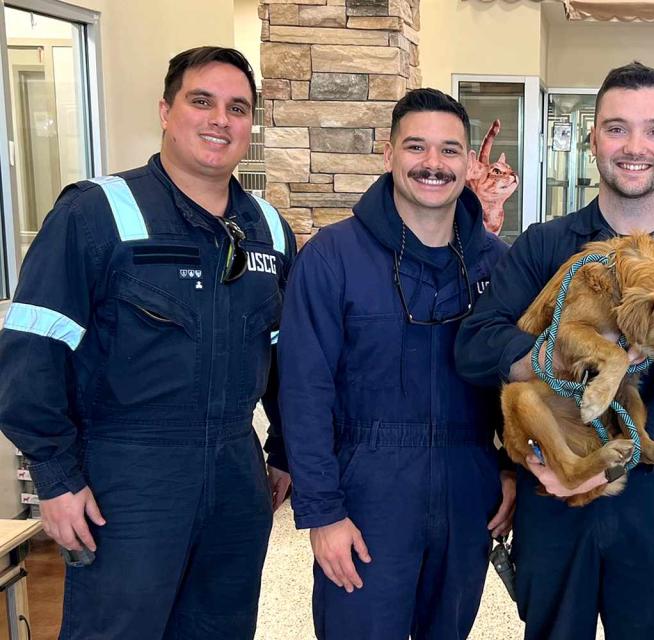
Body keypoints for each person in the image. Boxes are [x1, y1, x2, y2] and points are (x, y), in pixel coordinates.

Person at [0, 47, 295, 639]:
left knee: (221, 626)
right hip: (128, 474)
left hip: (236, 469)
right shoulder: (96, 212)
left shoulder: (268, 227)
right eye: (201, 101)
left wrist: (285, 448)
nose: (220, 119)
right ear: (166, 110)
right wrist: (55, 477)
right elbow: (32, 352)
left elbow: (289, 355)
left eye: (237, 108)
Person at [455, 62, 654, 640]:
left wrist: (620, 444)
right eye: (616, 128)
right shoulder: (546, 245)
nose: (635, 147)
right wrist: (555, 365)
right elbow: (476, 344)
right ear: (592, 139)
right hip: (555, 487)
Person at [278, 88, 514, 640]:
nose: (433, 164)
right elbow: (304, 392)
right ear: (389, 154)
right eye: (416, 147)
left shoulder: (499, 266)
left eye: (450, 150)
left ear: (470, 163)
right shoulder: (333, 257)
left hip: (467, 487)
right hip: (367, 493)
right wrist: (322, 513)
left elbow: (519, 383)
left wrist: (511, 471)